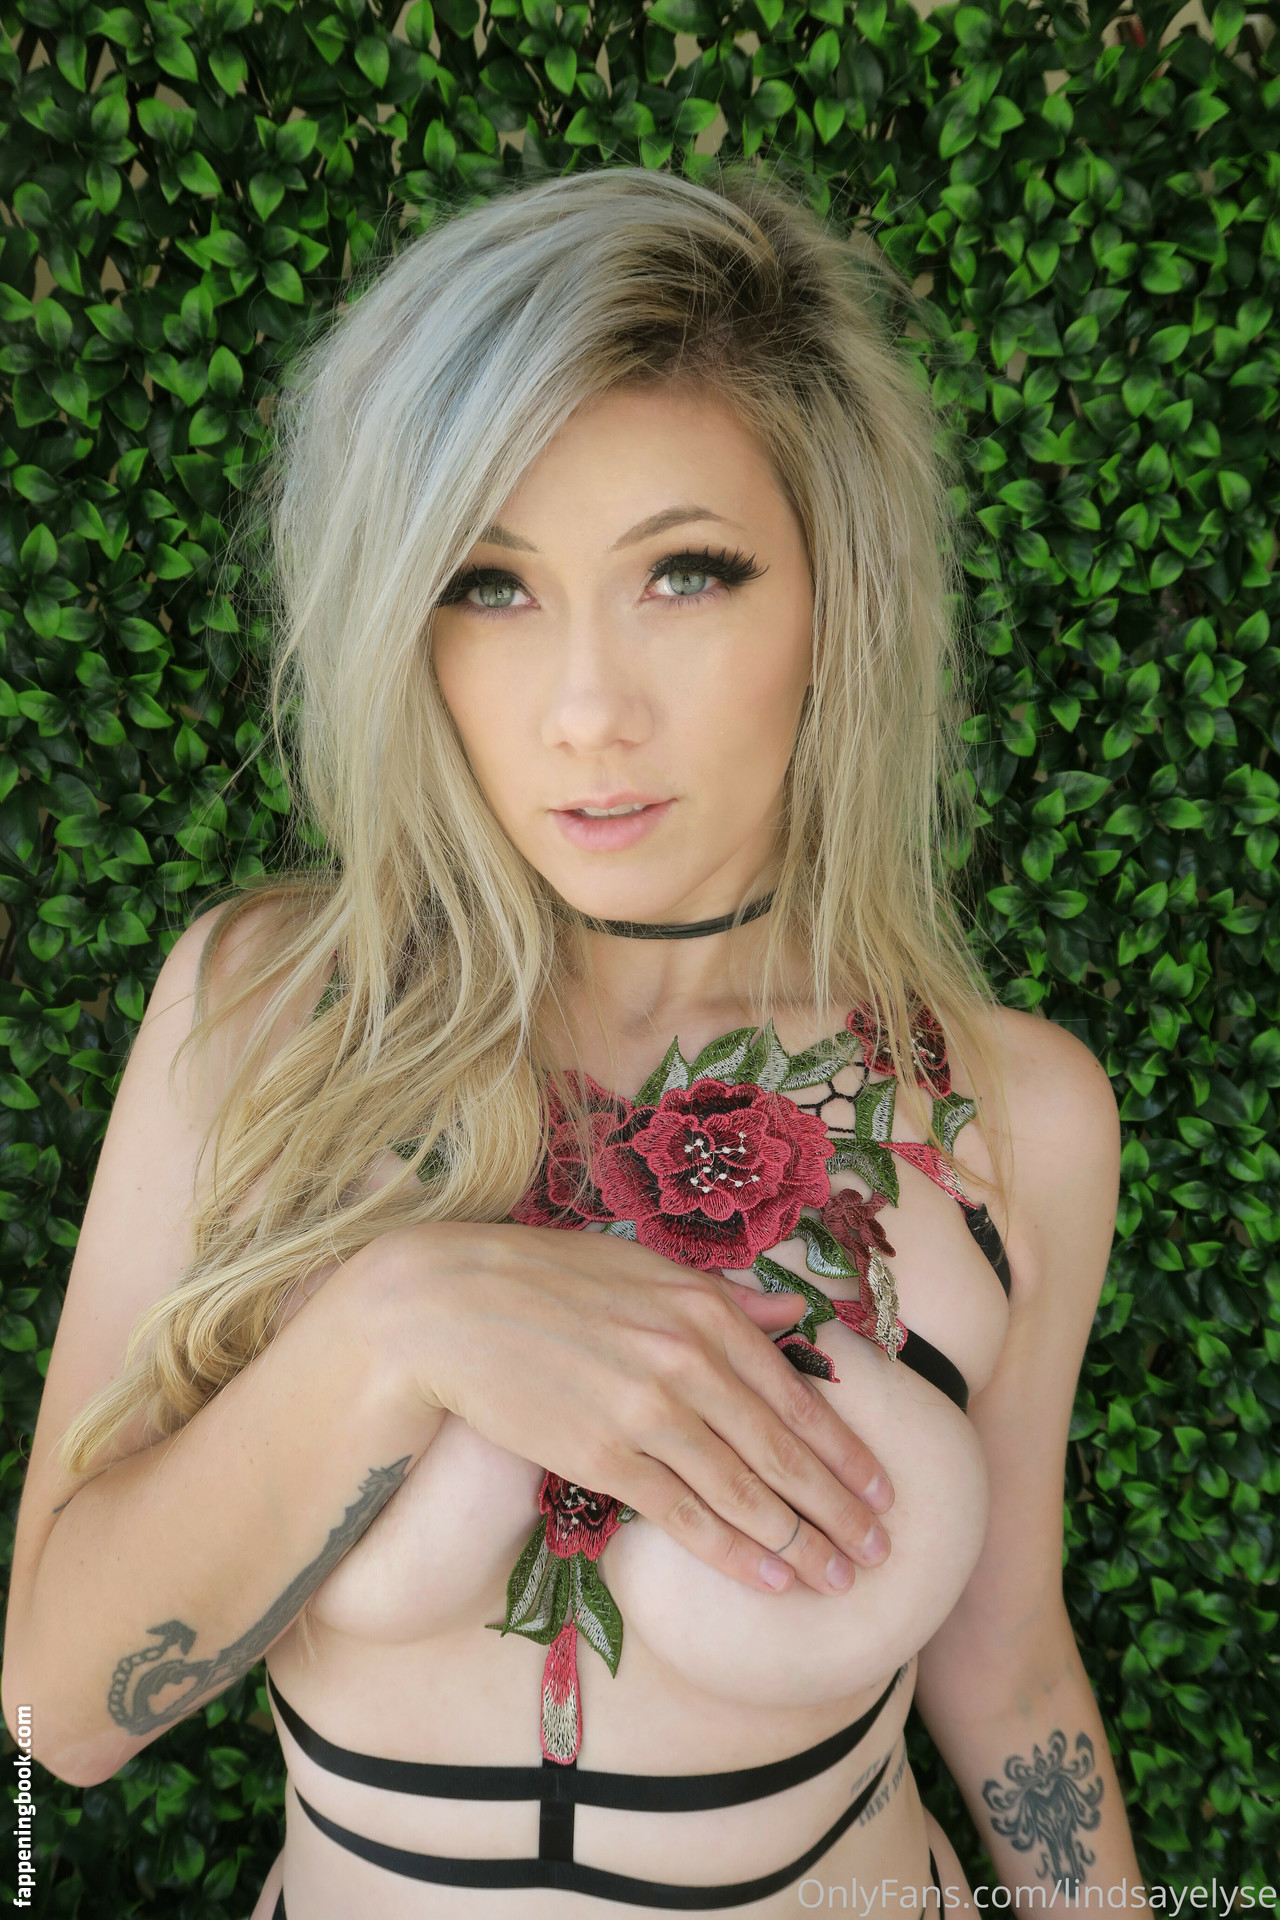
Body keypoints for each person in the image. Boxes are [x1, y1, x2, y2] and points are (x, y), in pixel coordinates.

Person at [0, 167, 1145, 1918]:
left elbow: (1008, 1666)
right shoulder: (261, 1015)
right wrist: (399, 1323)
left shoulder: (1010, 1113)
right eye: (490, 584)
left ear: (834, 601)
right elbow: (58, 1715)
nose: (587, 710)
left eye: (685, 575)